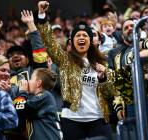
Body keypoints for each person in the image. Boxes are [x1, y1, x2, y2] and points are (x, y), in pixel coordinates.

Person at [38, 9, 115, 140]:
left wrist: (103, 78)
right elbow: (49, 42)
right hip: (71, 119)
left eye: (84, 35)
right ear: (72, 41)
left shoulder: (102, 62)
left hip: (98, 118)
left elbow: (110, 94)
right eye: (77, 36)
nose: (81, 38)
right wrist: (41, 16)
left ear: (90, 41)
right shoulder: (65, 60)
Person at [15, 68, 62, 140]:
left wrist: (22, 91)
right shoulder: (40, 99)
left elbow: (19, 109)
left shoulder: (45, 95)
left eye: (31, 79)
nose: (28, 81)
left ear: (38, 83)